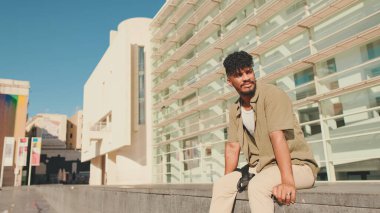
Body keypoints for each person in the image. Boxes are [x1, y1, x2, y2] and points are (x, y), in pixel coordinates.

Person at [209, 51, 319, 213]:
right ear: (229, 81)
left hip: (297, 166)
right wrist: (229, 180)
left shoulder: (272, 95)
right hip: (262, 168)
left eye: (248, 72)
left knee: (258, 186)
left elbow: (277, 137)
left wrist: (288, 182)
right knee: (221, 185)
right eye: (239, 75)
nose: (246, 78)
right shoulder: (235, 109)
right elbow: (233, 146)